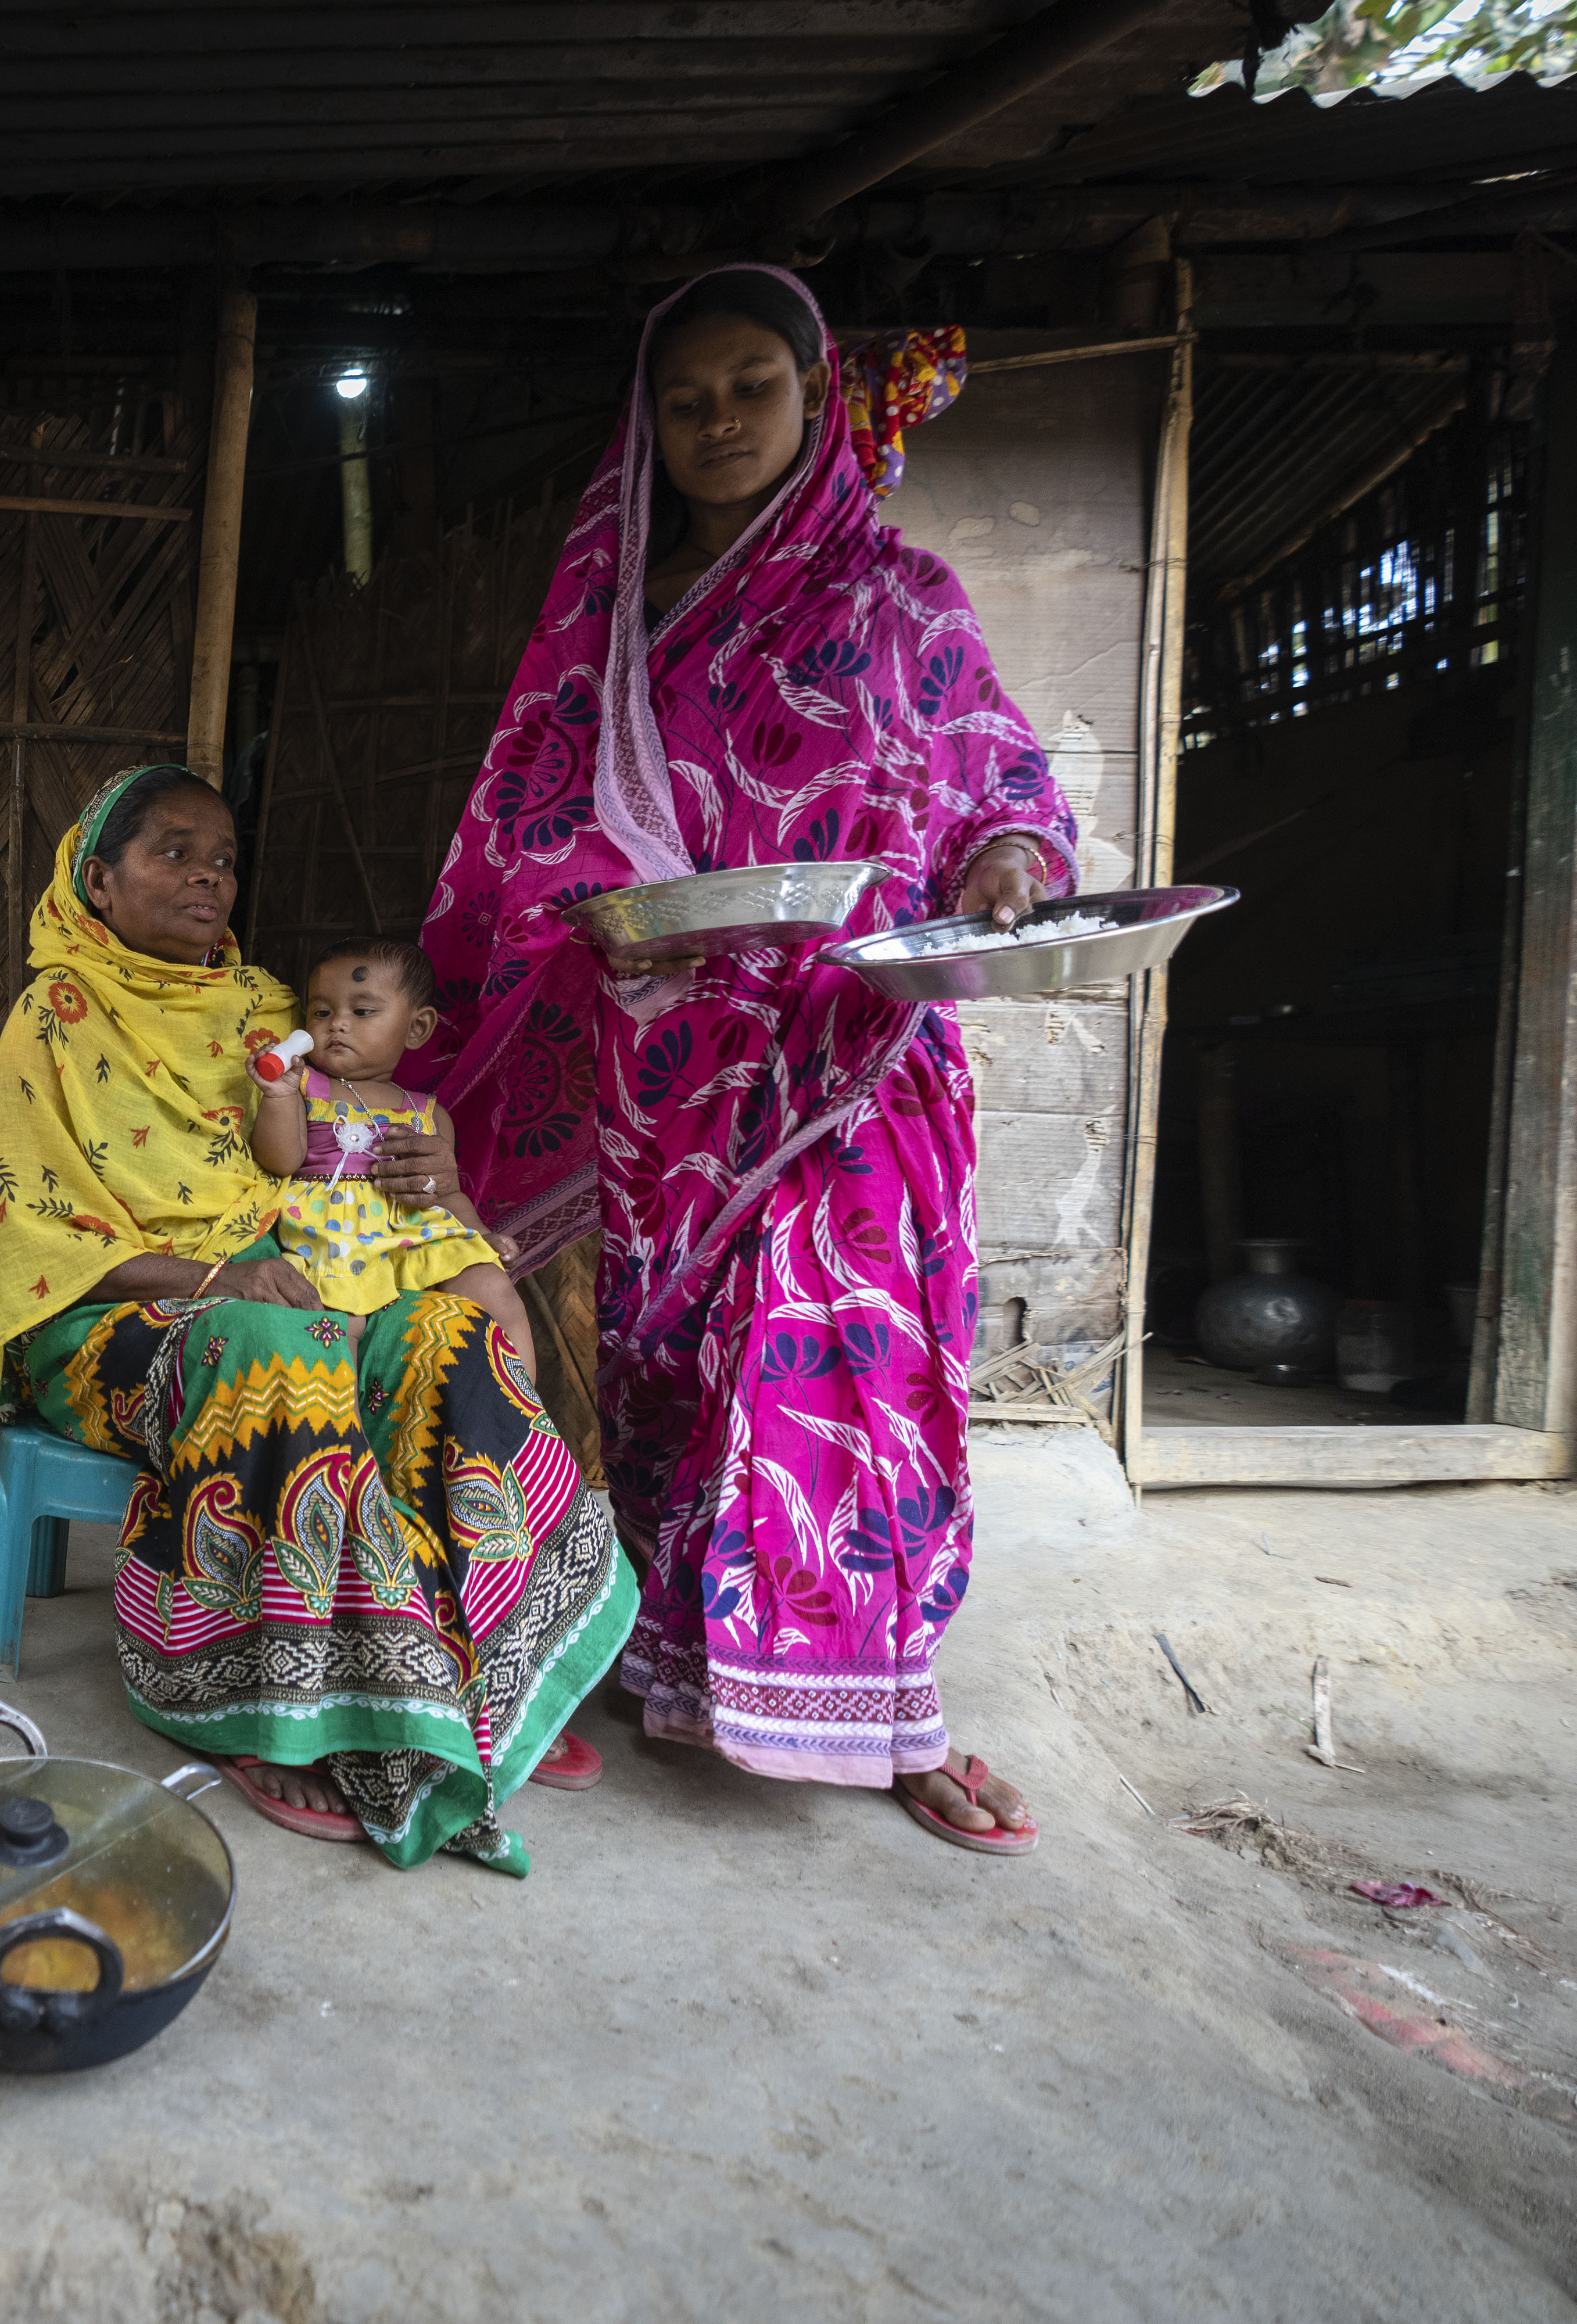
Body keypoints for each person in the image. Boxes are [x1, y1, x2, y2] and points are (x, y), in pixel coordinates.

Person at [421, 266, 1074, 1855]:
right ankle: (685, 1670)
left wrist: (1004, 866)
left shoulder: (903, 599)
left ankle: (885, 1706)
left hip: (860, 1055)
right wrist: (595, 925)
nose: (718, 422)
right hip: (673, 1065)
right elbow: (532, 833)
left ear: (816, 398)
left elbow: (1000, 781)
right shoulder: (615, 626)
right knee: (674, 1374)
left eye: (752, 389)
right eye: (687, 397)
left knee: (842, 1362)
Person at [0, 765, 629, 1871]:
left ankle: (485, 1667)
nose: (211, 873)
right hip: (118, 1312)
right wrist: (214, 1281)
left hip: (298, 1276)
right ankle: (285, 1702)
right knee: (281, 1350)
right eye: (174, 852)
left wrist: (434, 1170)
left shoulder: (268, 1009)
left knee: (453, 1338)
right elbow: (36, 1235)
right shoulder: (53, 1018)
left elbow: (347, 1148)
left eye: (223, 856)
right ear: (98, 883)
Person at [251, 938, 535, 1375]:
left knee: (492, 1287)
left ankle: (523, 1412)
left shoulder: (428, 1112)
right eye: (322, 1012)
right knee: (337, 1328)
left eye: (362, 1012)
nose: (337, 1025)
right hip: (335, 1235)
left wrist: (482, 1234)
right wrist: (278, 1096)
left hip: (414, 1231)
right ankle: (338, 1431)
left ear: (417, 1028)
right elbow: (282, 1160)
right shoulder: (305, 1086)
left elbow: (448, 1195)